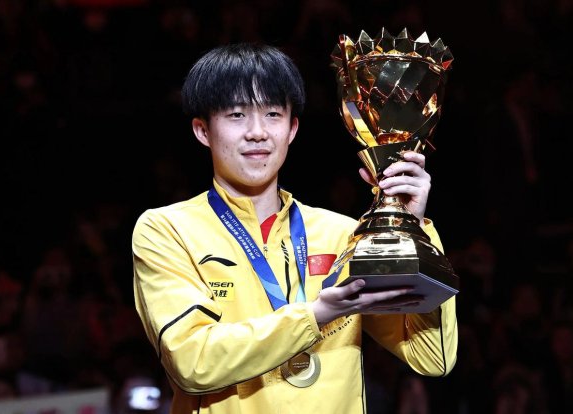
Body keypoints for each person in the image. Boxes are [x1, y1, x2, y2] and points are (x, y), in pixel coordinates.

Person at [132, 42, 458, 414]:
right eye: (237, 115)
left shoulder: (344, 235)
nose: (257, 132)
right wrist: (315, 315)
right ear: (203, 130)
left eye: (272, 114)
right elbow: (192, 363)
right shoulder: (167, 230)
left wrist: (413, 229)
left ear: (292, 129)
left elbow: (432, 357)